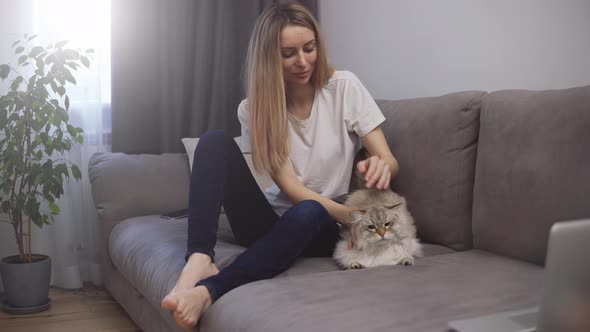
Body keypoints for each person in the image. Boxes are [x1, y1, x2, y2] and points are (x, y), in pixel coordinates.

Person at [160, 1, 399, 329]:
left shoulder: (344, 87)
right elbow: (291, 188)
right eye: (288, 53)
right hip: (268, 221)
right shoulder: (255, 107)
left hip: (321, 223)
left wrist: (383, 167)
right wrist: (356, 218)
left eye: (309, 48)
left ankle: (208, 290)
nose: (303, 62)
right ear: (269, 57)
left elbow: (387, 159)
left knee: (310, 211)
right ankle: (199, 258)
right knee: (214, 140)